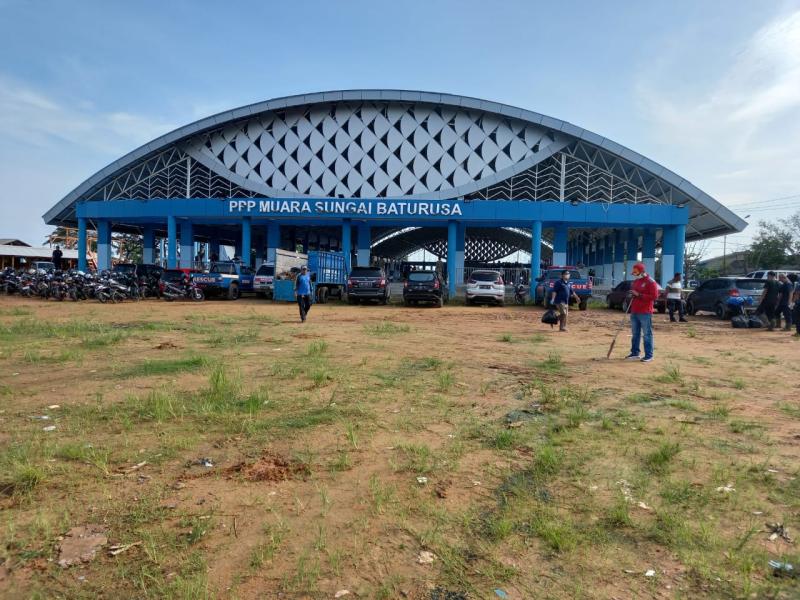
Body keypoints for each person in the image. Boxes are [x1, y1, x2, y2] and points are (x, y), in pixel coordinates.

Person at [625, 262, 658, 363]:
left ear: (642, 271)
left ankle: (649, 355)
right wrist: (632, 295)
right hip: (634, 310)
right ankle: (635, 353)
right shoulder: (636, 281)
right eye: (633, 273)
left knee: (647, 334)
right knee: (635, 333)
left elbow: (654, 296)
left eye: (636, 272)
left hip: (645, 312)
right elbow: (634, 293)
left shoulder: (651, 282)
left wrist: (639, 295)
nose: (634, 274)